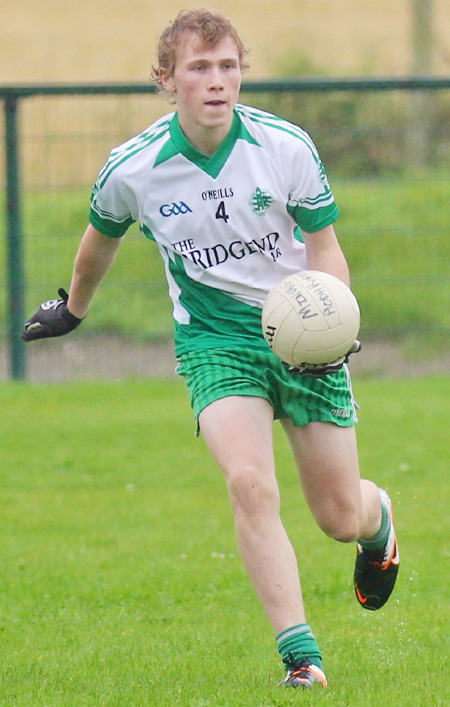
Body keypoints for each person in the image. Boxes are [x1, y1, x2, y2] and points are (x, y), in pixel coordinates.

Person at [22, 8, 399, 689]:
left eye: (228, 66)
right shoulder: (132, 169)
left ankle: (380, 524)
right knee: (250, 484)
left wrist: (334, 326)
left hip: (303, 336)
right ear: (166, 80)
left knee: (339, 516)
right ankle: (301, 657)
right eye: (200, 68)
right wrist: (72, 310)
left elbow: (324, 247)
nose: (217, 81)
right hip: (214, 339)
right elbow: (98, 241)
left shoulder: (285, 146)